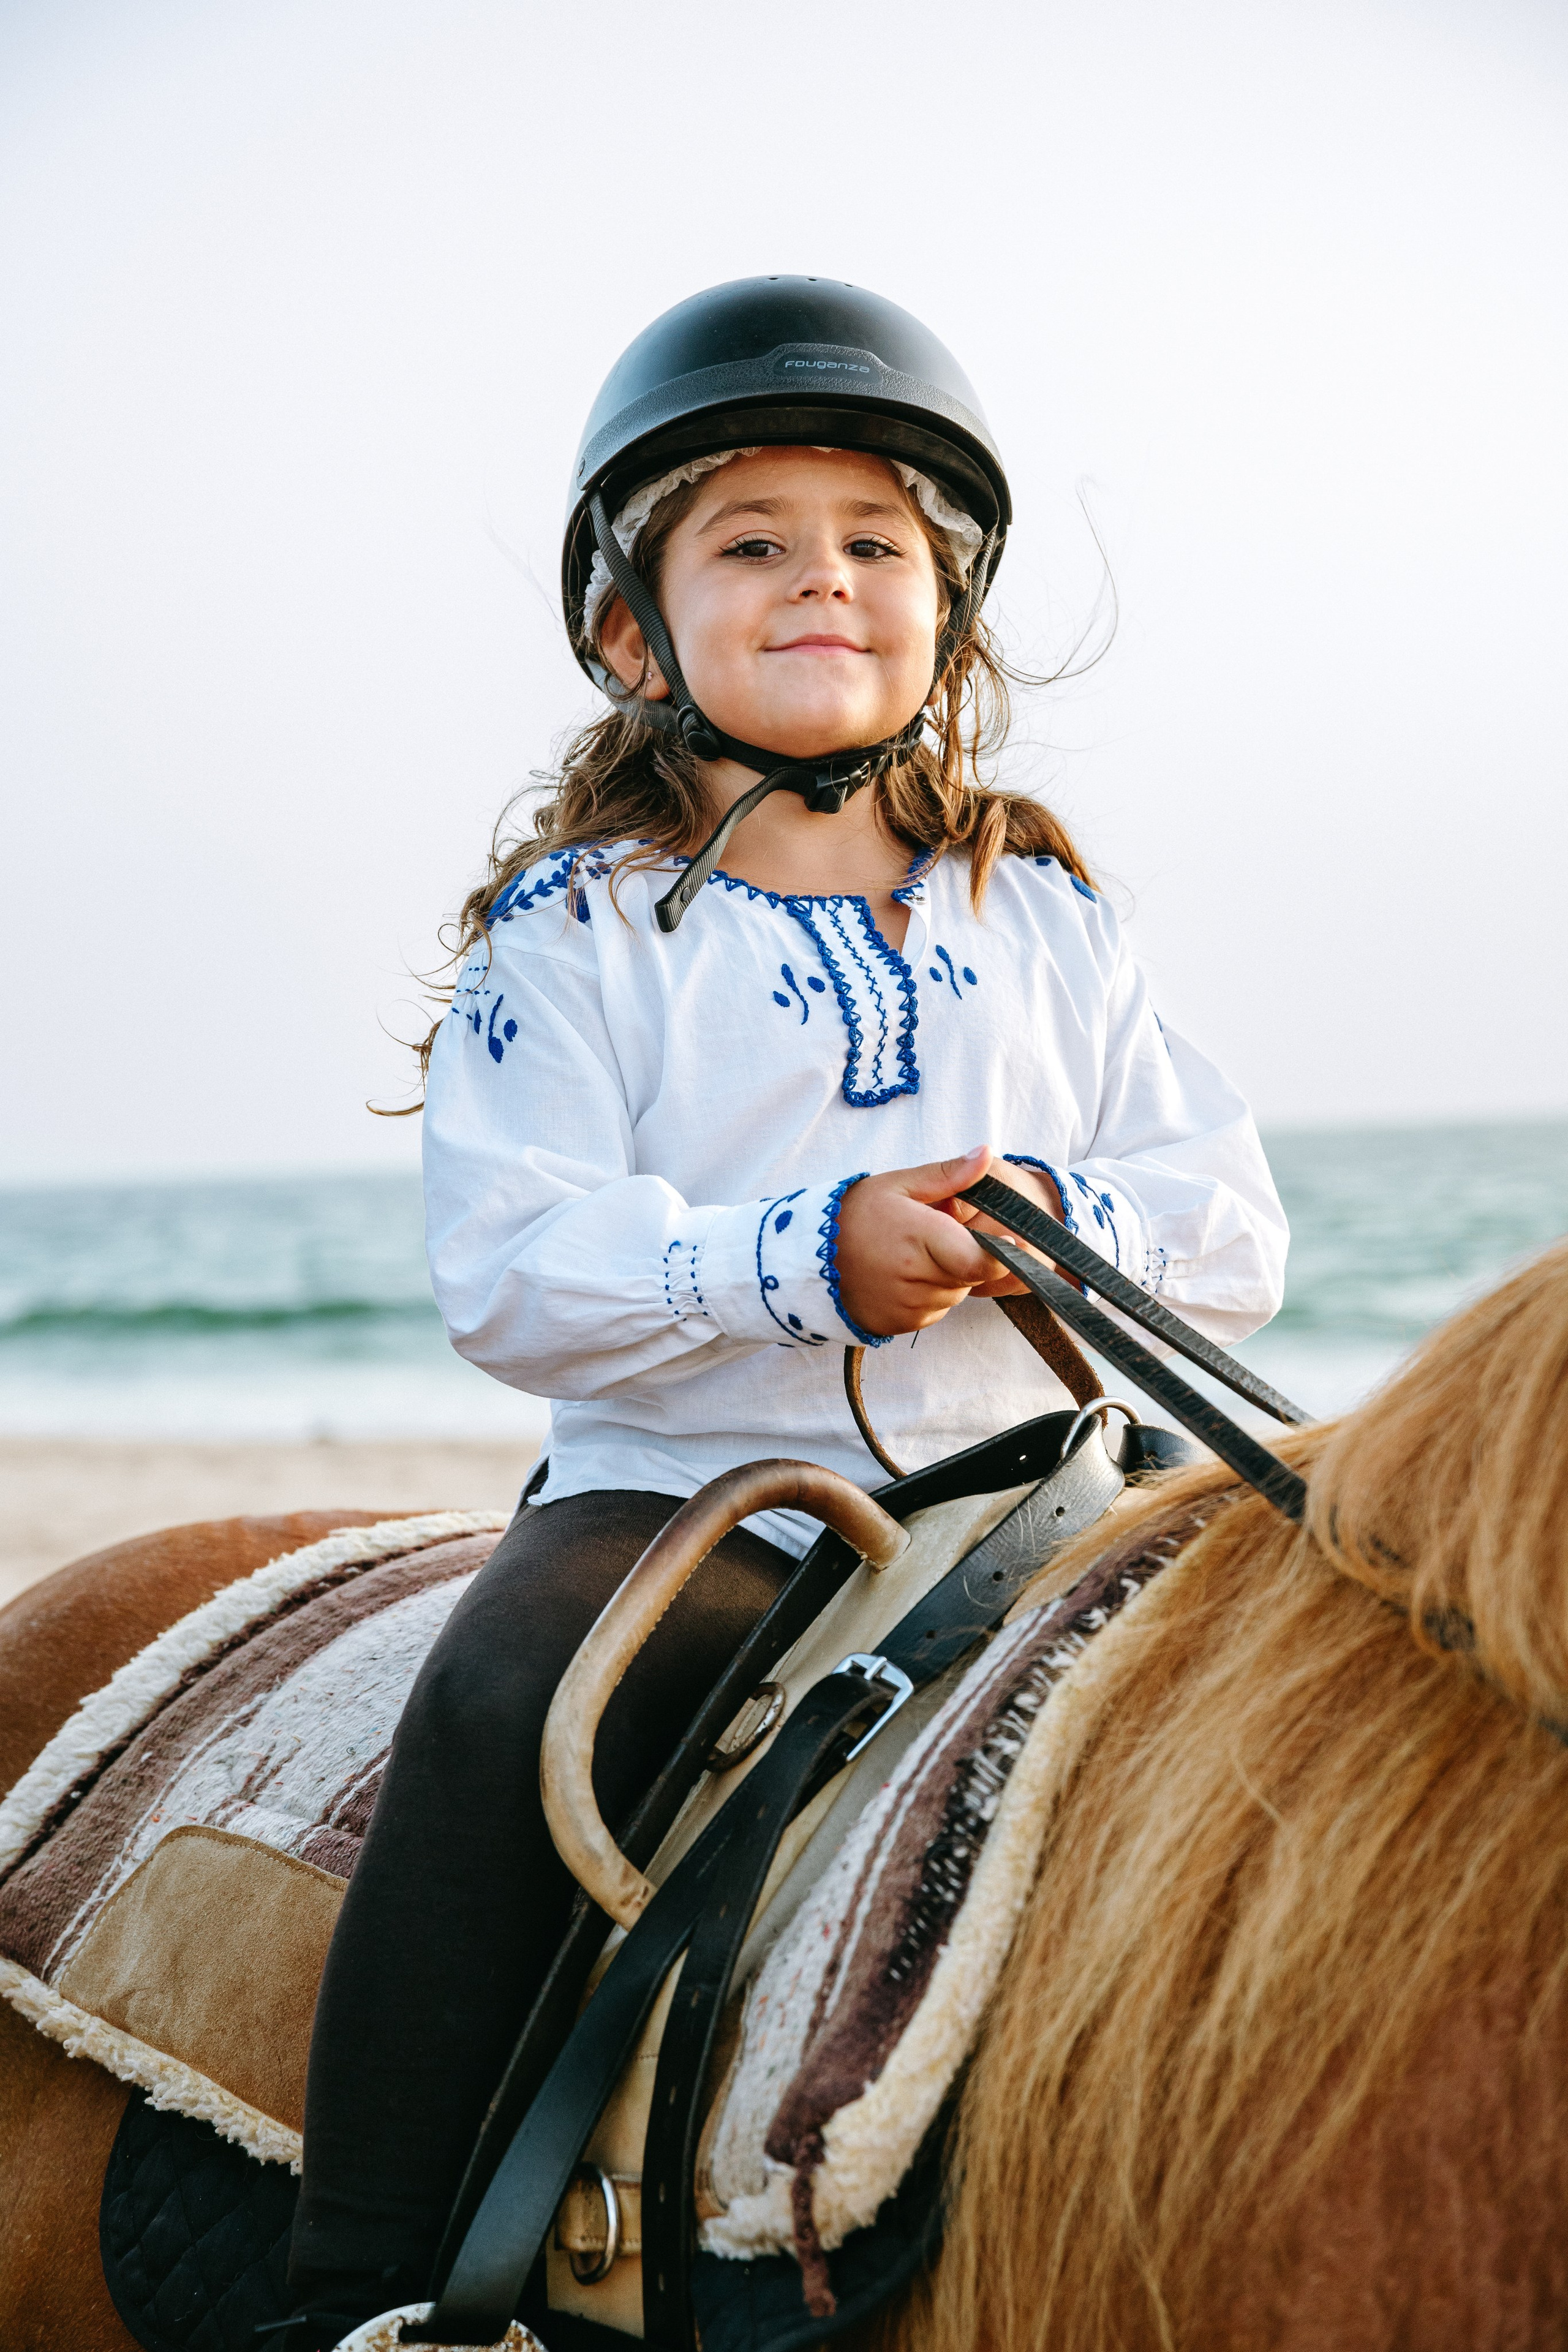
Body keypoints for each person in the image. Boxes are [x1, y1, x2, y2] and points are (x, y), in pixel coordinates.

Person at [283, 277, 1287, 2346]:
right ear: (636, 631)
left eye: (874, 544)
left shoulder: (1050, 911)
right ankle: (370, 2290)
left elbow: (1230, 1224)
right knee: (506, 1700)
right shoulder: (571, 938)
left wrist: (1042, 1212)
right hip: (703, 1510)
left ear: (948, 609)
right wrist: (804, 1255)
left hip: (1056, 1494)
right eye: (752, 542)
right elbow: (511, 1264)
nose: (822, 578)